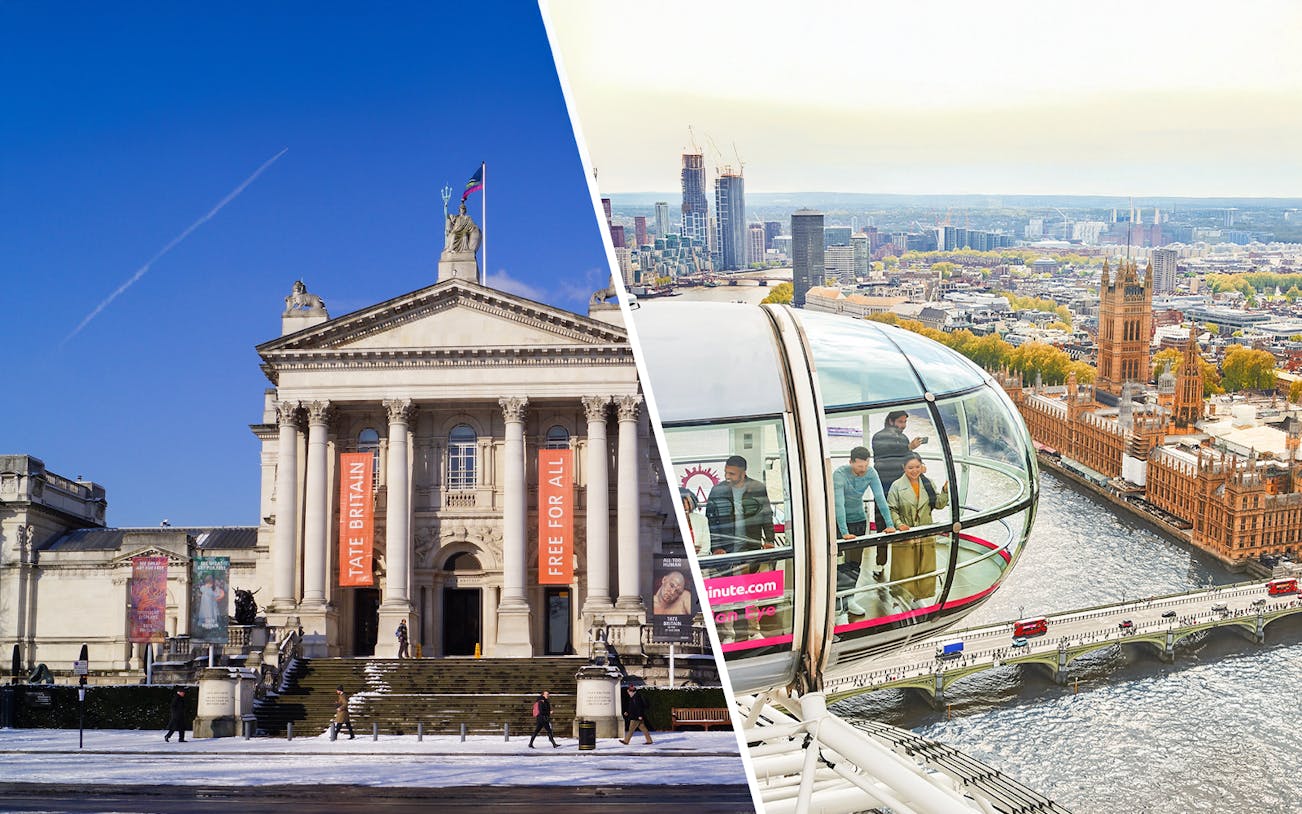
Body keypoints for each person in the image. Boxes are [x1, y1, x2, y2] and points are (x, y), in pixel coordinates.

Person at [833, 446, 896, 617]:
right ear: (851, 462)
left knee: (855, 563)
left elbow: (880, 498)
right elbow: (838, 504)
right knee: (835, 564)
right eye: (859, 466)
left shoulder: (871, 472)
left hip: (859, 521)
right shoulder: (839, 474)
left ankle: (850, 599)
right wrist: (844, 532)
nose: (863, 470)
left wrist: (889, 524)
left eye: (865, 466)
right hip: (838, 523)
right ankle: (835, 600)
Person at [886, 453, 950, 609]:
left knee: (924, 566)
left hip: (925, 531)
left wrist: (945, 491)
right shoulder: (896, 486)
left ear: (922, 466)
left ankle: (919, 596)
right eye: (910, 468)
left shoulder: (928, 484)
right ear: (903, 468)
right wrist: (899, 524)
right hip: (905, 533)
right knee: (905, 568)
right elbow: (891, 509)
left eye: (917, 467)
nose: (914, 471)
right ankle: (902, 596)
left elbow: (938, 504)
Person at [871, 412, 925, 577]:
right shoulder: (879, 437)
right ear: (890, 421)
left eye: (905, 422)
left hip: (901, 487)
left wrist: (919, 464)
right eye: (900, 422)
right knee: (884, 525)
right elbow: (886, 451)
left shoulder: (903, 438)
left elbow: (907, 459)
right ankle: (880, 563)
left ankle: (903, 564)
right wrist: (909, 448)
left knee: (904, 522)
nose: (903, 425)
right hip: (884, 487)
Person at [704, 455, 775, 554]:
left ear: (743, 473)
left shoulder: (757, 488)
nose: (727, 476)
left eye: (732, 474)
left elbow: (766, 516)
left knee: (751, 569)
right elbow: (711, 521)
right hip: (725, 549)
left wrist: (769, 540)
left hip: (751, 546)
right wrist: (716, 547)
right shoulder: (717, 490)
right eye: (726, 472)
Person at [679, 488, 711, 557]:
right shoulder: (668, 522)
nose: (685, 506)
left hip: (700, 562)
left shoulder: (702, 520)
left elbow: (705, 549)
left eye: (687, 503)